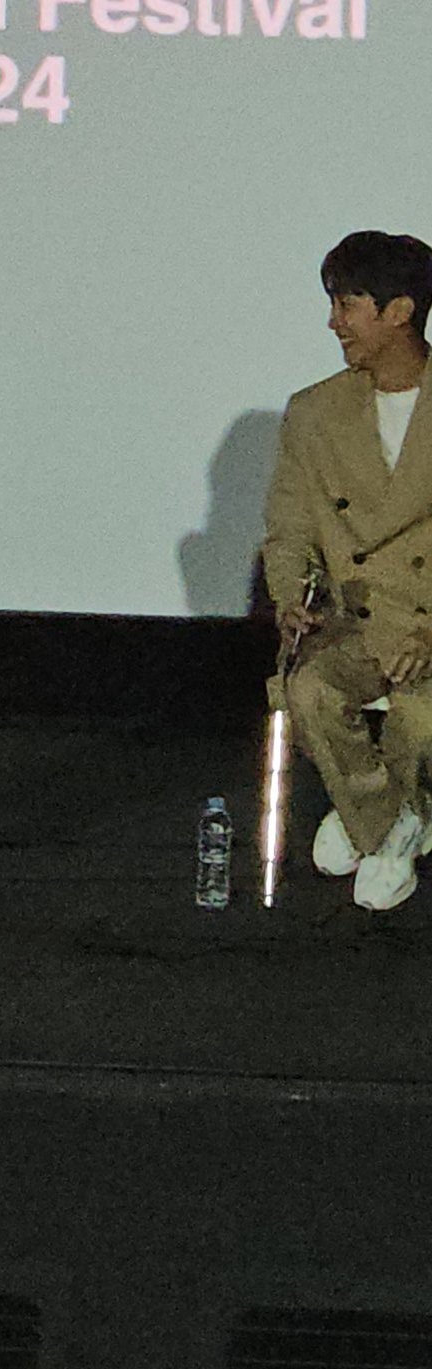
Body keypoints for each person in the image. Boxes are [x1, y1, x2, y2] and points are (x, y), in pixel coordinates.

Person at [264, 230, 432, 911]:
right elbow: (289, 527)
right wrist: (289, 597)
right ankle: (391, 824)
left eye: (346, 305)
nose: (333, 323)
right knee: (308, 690)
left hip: (428, 623)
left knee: (419, 719)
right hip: (357, 621)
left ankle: (375, 821)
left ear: (399, 311)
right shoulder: (315, 412)